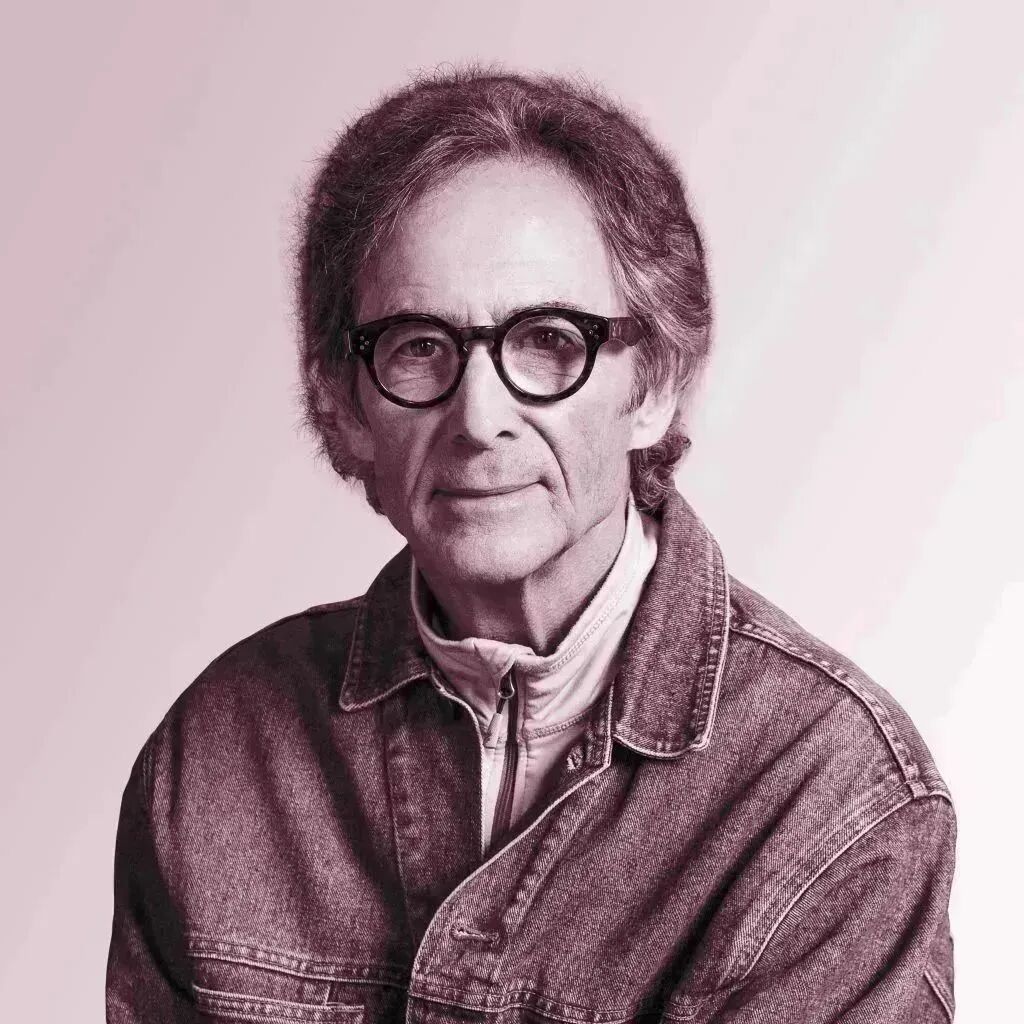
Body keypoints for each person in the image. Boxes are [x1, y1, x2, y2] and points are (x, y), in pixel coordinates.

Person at [106, 69, 956, 1023]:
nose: (480, 419)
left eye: (549, 341)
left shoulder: (832, 794)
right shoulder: (218, 753)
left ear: (654, 386)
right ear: (343, 406)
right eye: (417, 346)